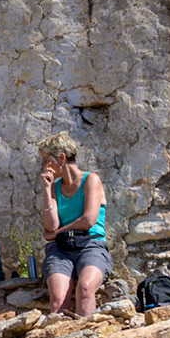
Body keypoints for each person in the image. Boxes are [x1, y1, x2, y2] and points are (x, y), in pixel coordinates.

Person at [38, 133, 110, 317]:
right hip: (61, 248)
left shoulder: (90, 180)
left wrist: (58, 232)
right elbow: (51, 225)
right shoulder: (55, 187)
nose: (45, 166)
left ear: (61, 158)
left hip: (91, 244)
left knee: (85, 288)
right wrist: (47, 190)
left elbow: (88, 220)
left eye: (47, 160)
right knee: (58, 298)